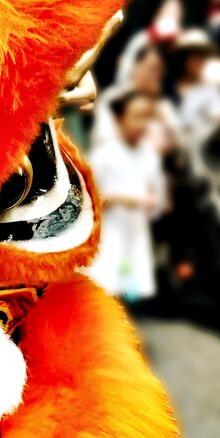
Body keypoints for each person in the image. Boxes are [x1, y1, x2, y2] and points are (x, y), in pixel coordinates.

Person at [88, 91, 167, 304]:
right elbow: (90, 200)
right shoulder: (103, 156)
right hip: (109, 234)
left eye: (146, 117)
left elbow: (157, 195)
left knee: (129, 289)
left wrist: (154, 203)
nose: (142, 124)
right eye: (136, 116)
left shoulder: (149, 156)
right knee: (105, 289)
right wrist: (119, 199)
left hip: (135, 231)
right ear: (119, 120)